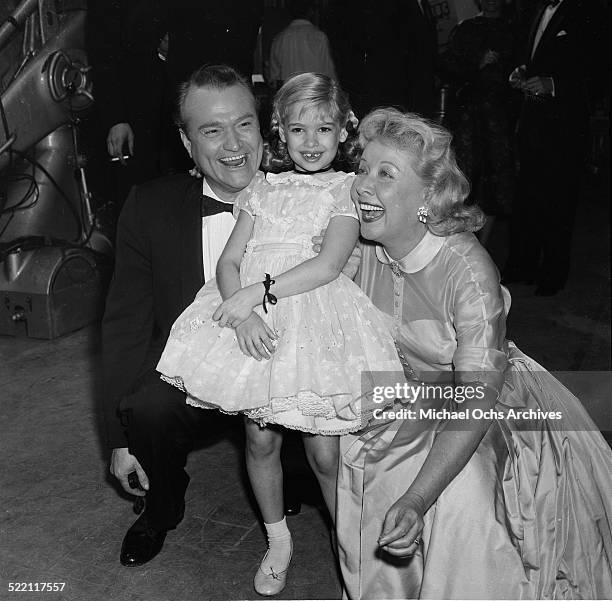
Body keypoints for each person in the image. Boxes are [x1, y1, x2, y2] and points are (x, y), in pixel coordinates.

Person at [336, 108, 612, 599]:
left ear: (427, 195)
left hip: (487, 404)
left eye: (384, 173)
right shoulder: (359, 249)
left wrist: (420, 497)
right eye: (362, 169)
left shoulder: (466, 268)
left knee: (463, 499)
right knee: (360, 459)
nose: (361, 185)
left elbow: (475, 399)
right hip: (404, 399)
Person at [156, 73, 404, 596]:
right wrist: (241, 312)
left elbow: (330, 264)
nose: (311, 142)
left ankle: (352, 556)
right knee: (260, 437)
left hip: (314, 322)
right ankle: (278, 540)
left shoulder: (345, 189)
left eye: (323, 129)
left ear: (344, 134)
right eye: (298, 130)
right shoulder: (261, 188)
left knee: (324, 454)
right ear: (279, 134)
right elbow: (228, 262)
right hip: (257, 325)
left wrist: (259, 292)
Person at [102, 65, 353, 569]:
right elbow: (125, 326)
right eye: (211, 130)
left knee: (324, 442)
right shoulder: (148, 207)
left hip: (294, 357)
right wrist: (119, 440)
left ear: (265, 127)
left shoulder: (314, 189)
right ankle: (161, 508)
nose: (233, 144)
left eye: (243, 124)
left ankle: (313, 499)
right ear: (185, 140)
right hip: (204, 360)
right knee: (149, 412)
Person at [503, 0, 605, 295]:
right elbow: (535, 57)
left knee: (559, 201)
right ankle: (522, 267)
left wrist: (554, 83)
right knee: (528, 196)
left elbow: (598, 70)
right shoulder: (533, 10)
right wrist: (521, 71)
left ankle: (553, 275)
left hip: (565, 126)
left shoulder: (590, 11)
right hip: (532, 122)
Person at [439, 0, 518, 245]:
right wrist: (477, 62)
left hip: (500, 120)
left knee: (495, 183)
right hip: (468, 120)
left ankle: (482, 245)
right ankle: (464, 243)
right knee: (465, 180)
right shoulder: (467, 28)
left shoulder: (515, 29)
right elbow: (447, 67)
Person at [269, 0, 337, 88]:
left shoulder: (279, 38)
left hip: (290, 96)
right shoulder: (319, 37)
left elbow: (273, 77)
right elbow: (329, 73)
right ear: (311, 12)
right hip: (313, 94)